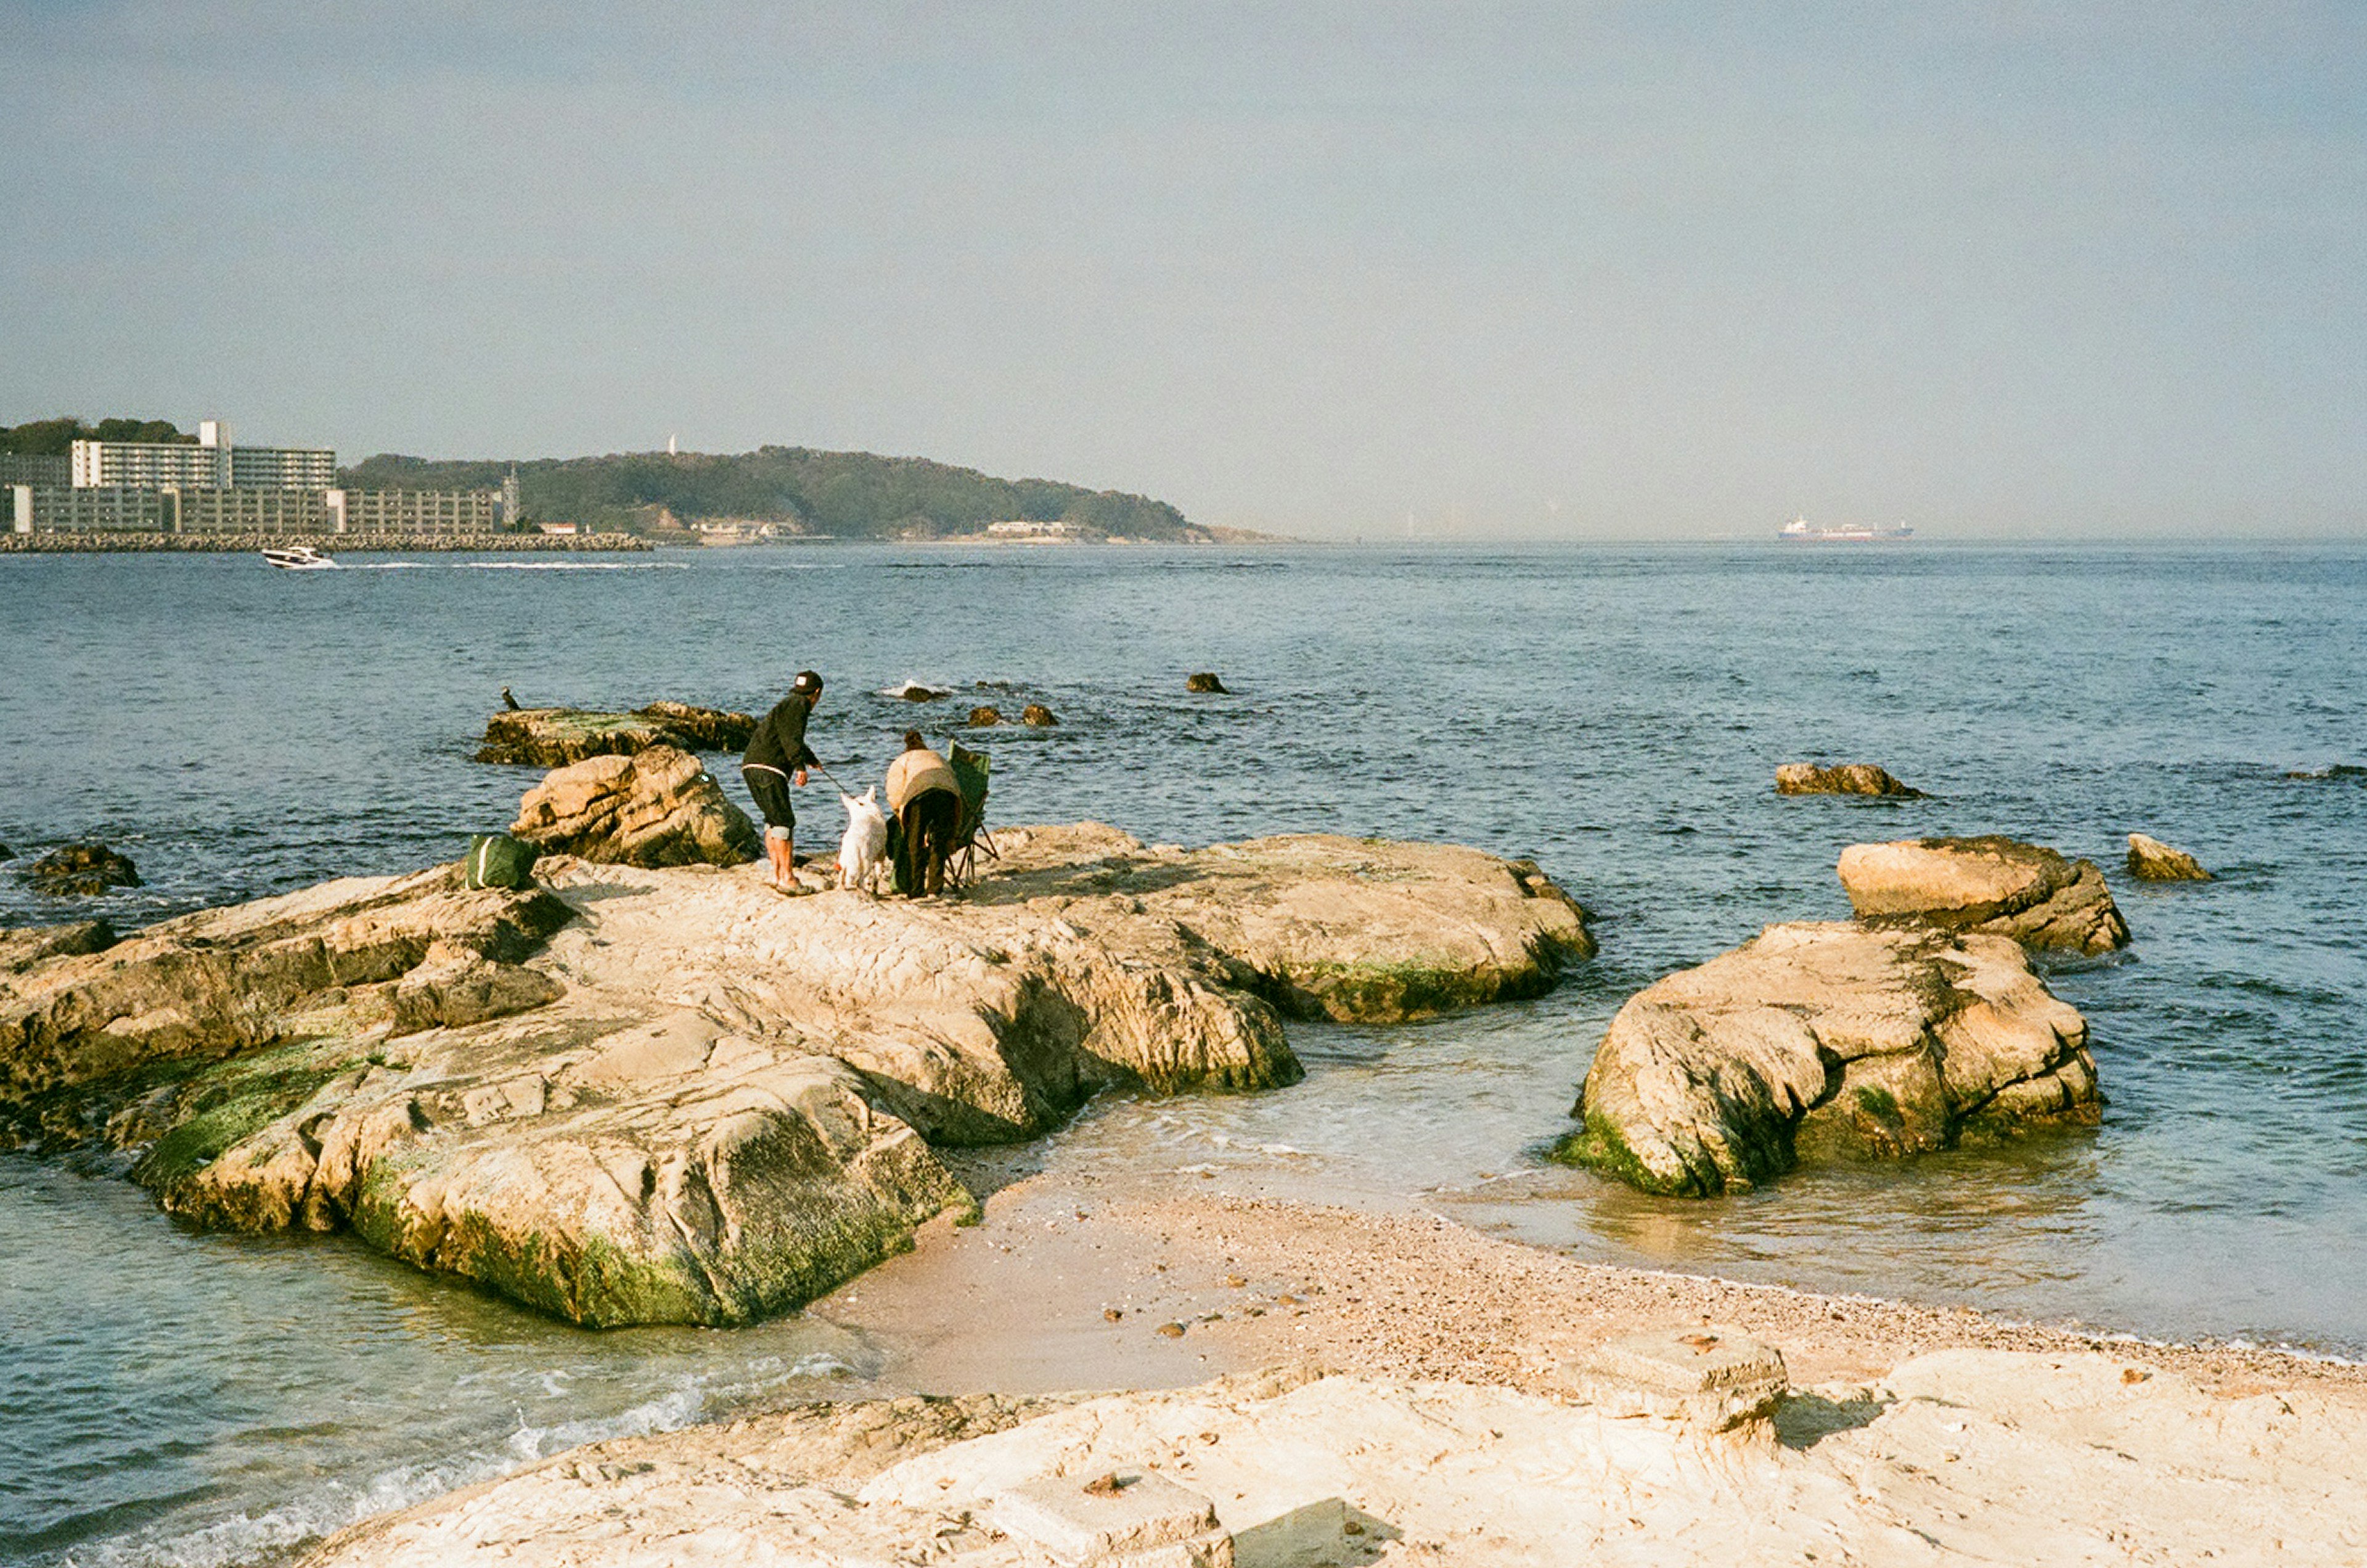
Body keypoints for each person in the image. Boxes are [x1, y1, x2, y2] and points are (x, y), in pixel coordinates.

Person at [742, 671, 823, 888]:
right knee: (785, 822)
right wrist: (800, 767)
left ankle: (776, 874)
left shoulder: (788, 703)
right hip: (770, 768)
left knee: (773, 819)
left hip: (751, 765)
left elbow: (788, 736)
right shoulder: (800, 706)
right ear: (817, 693)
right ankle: (787, 877)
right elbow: (791, 739)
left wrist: (811, 759)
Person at [885, 729, 962, 896]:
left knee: (915, 844)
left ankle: (916, 890)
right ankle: (935, 889)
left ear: (906, 748)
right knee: (939, 843)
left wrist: (899, 814)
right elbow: (953, 780)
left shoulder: (902, 760)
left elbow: (895, 792)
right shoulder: (937, 756)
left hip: (919, 798)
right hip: (948, 796)